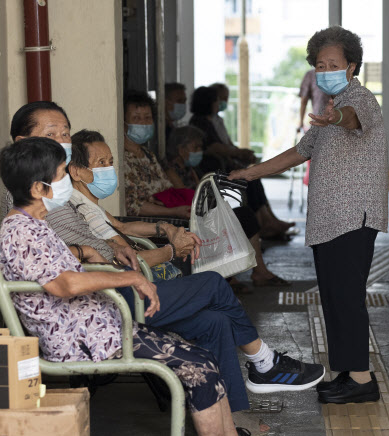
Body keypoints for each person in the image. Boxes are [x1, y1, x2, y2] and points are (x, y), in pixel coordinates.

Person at [2, 101, 325, 427]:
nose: (63, 142)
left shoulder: (57, 198)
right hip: (103, 310)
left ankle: (236, 415)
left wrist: (104, 246)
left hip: (107, 298)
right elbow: (67, 276)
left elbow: (106, 234)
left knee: (215, 321)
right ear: (23, 144)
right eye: (51, 134)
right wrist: (144, 265)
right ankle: (264, 364)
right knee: (212, 284)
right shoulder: (39, 205)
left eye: (65, 134)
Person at [0, 138, 240, 436]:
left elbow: (47, 264)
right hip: (82, 340)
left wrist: (84, 251)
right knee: (199, 368)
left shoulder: (32, 224)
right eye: (61, 175)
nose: (66, 182)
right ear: (38, 189)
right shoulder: (21, 231)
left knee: (203, 359)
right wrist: (131, 278)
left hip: (100, 326)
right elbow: (64, 284)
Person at [229, 26, 388, 404]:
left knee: (347, 297)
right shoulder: (325, 107)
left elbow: (351, 119)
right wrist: (249, 173)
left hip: (353, 217)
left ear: (352, 67)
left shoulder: (360, 99)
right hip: (330, 221)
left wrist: (335, 119)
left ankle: (362, 381)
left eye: (334, 64)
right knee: (334, 297)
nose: (326, 69)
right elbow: (300, 151)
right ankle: (348, 374)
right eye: (320, 64)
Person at [71, 128, 289, 288]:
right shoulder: (81, 208)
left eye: (110, 162)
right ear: (76, 171)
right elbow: (126, 259)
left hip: (147, 261)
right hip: (140, 276)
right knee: (212, 283)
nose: (109, 169)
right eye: (101, 163)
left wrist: (165, 228)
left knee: (215, 291)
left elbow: (121, 226)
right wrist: (172, 250)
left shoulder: (90, 202)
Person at [164, 126, 290, 287]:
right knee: (236, 219)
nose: (199, 151)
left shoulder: (190, 169)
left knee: (245, 215)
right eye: (195, 147)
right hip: (188, 217)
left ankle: (258, 271)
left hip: (201, 214)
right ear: (181, 149)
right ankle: (230, 275)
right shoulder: (172, 171)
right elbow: (188, 199)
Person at [189, 86, 295, 240]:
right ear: (208, 102)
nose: (220, 103)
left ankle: (268, 218)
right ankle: (262, 222)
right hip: (212, 168)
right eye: (218, 100)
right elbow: (214, 147)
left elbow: (228, 145)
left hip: (226, 163)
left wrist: (240, 154)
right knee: (248, 179)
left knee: (254, 175)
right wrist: (237, 155)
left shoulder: (216, 120)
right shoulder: (200, 122)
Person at [123, 90, 191, 219]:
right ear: (123, 124)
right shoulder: (120, 159)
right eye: (136, 118)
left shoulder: (148, 155)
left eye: (148, 118)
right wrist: (173, 212)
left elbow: (167, 190)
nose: (143, 123)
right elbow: (132, 205)